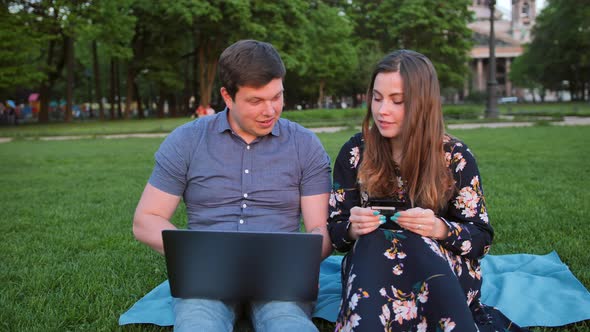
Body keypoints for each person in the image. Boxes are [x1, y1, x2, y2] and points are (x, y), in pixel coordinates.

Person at [133, 39, 332, 332]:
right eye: (256, 101)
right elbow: (145, 220)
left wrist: (302, 266)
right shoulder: (186, 141)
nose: (270, 110)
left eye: (277, 97)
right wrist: (195, 260)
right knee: (197, 324)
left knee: (287, 323)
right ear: (227, 96)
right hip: (206, 278)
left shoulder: (305, 145)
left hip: (279, 278)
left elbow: (321, 229)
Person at [327, 50, 527, 331]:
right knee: (375, 241)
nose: (382, 110)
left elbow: (481, 238)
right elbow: (336, 233)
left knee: (416, 241)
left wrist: (439, 229)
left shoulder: (454, 156)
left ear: (423, 104)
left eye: (398, 101)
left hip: (440, 263)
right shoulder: (355, 152)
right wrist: (352, 228)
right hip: (372, 264)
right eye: (377, 97)